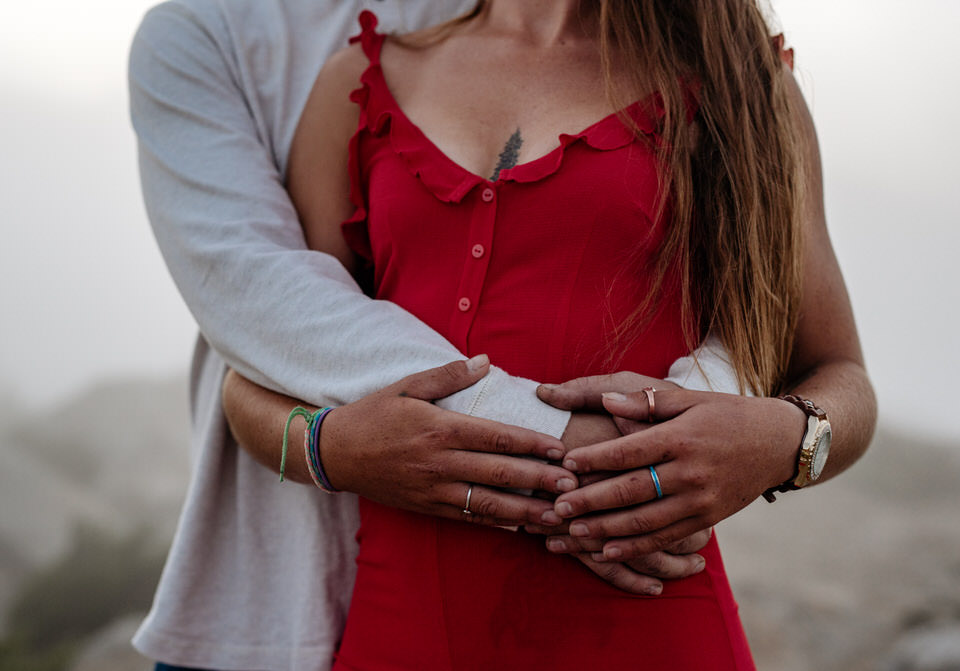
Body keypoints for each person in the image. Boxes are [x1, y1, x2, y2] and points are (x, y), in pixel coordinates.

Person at [221, 1, 876, 670]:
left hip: (656, 634)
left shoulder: (738, 84)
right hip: (403, 636)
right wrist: (330, 449)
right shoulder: (357, 84)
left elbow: (840, 374)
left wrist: (777, 442)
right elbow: (253, 379)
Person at [128, 1, 735, 670]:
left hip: (602, 587)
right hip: (288, 597)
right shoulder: (212, 35)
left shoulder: (673, 53)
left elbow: (767, 328)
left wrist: (736, 430)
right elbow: (254, 309)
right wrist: (572, 450)